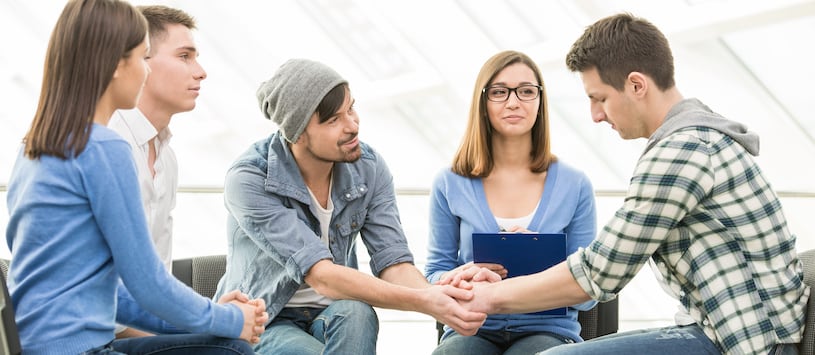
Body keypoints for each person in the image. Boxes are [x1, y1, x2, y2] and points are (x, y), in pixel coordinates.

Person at [449, 13, 809, 355]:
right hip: (722, 329)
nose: (595, 115)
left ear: (637, 84)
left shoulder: (682, 152)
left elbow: (599, 273)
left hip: (746, 342)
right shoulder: (699, 138)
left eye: (599, 98)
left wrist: (490, 297)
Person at [4, 1, 267, 353]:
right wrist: (232, 322)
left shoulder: (34, 148)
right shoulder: (102, 147)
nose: (145, 72)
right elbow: (147, 283)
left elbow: (114, 297)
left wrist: (218, 317)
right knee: (231, 350)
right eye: (142, 58)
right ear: (115, 63)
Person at [213, 58, 487, 355]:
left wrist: (438, 295)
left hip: (334, 314)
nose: (352, 125)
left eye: (351, 109)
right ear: (298, 133)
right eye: (333, 120)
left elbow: (393, 262)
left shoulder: (367, 168)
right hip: (264, 319)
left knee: (358, 312)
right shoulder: (251, 178)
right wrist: (425, 302)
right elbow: (321, 275)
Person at [424, 50, 598, 354]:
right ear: (483, 102)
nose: (514, 102)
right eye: (500, 92)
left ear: (540, 101)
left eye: (527, 91)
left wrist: (542, 262)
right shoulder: (450, 182)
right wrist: (466, 273)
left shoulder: (575, 185)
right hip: (473, 327)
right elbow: (436, 274)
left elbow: (589, 293)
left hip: (548, 332)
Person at [107, 4, 207, 339]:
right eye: (184, 56)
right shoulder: (108, 146)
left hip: (138, 327)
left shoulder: (167, 158)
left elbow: (158, 281)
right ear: (142, 60)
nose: (200, 71)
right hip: (99, 332)